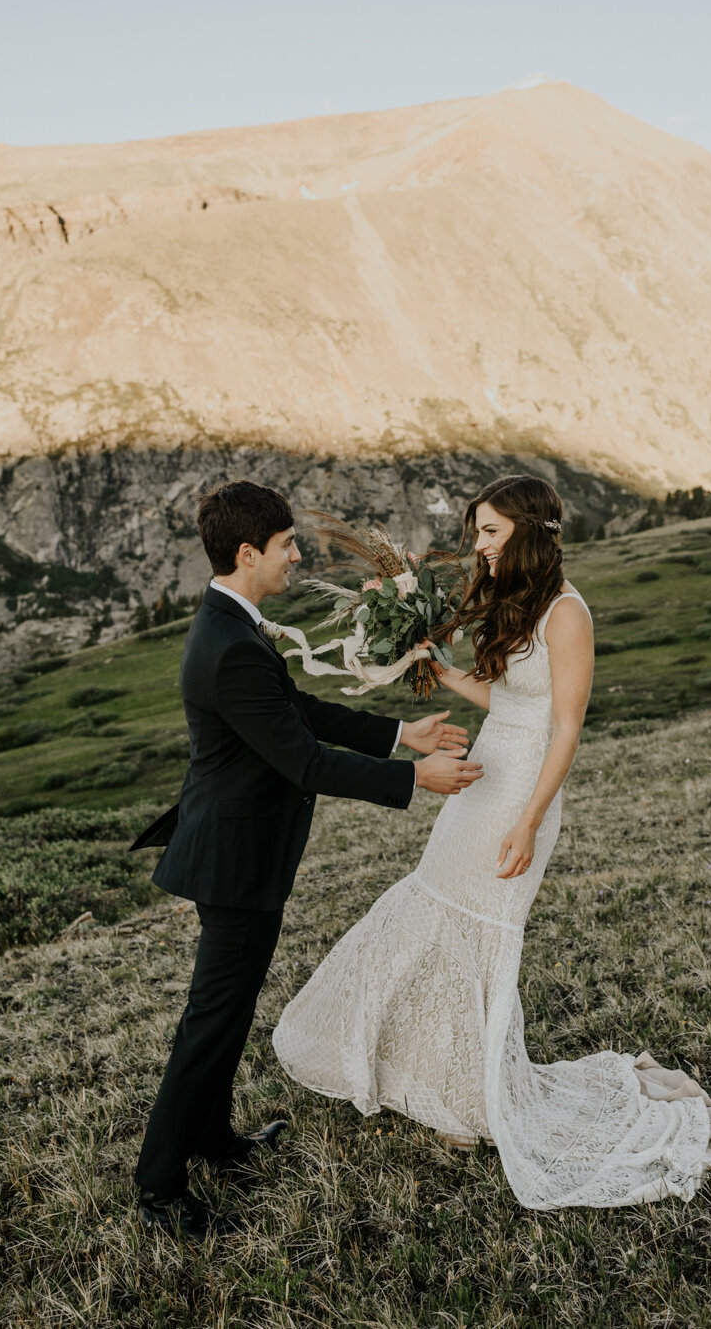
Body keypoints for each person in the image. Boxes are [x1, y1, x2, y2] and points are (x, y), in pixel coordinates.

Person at [273, 475, 711, 1208]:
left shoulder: (567, 615)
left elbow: (563, 727)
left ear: (531, 531)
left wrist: (529, 819)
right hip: (483, 777)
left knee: (478, 941)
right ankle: (443, 1082)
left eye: (489, 533)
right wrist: (436, 669)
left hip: (520, 794)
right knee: (434, 917)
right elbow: (509, 699)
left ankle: (469, 1095)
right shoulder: (521, 602)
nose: (477, 546)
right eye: (477, 531)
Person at [130, 480, 484, 1240]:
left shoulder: (236, 628)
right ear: (248, 552)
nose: (298, 555)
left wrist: (400, 737)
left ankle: (213, 1142)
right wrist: (412, 779)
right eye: (287, 545)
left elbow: (300, 712)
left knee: (225, 1015)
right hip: (232, 860)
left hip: (243, 853)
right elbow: (302, 760)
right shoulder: (228, 646)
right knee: (210, 1023)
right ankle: (158, 1189)